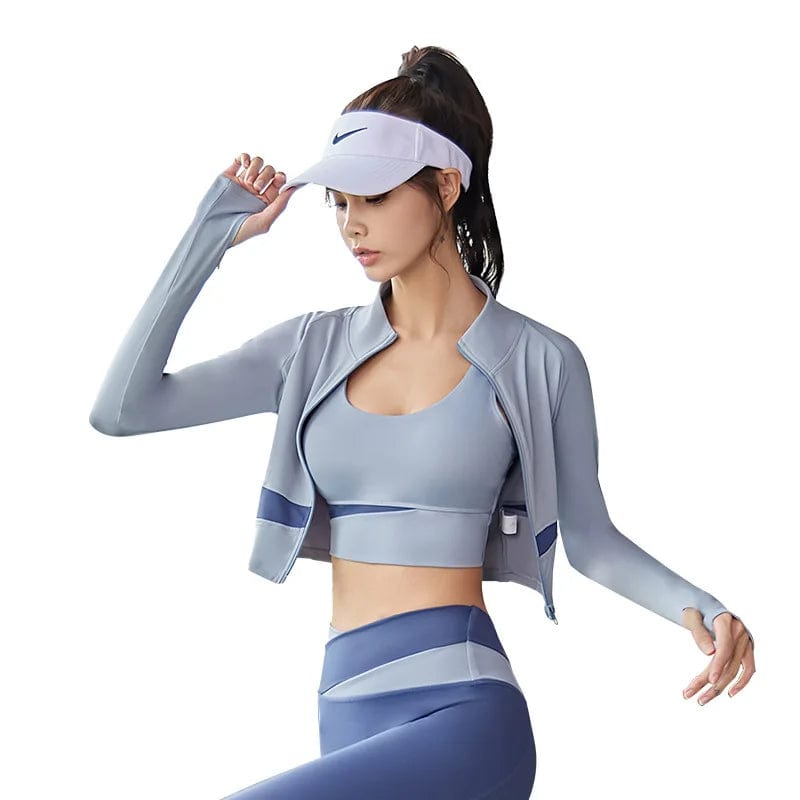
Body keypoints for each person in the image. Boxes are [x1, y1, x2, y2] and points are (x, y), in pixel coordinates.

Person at [89, 45, 755, 799]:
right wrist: (209, 234)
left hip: (466, 716)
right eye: (339, 202)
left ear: (445, 185)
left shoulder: (538, 360)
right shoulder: (310, 349)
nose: (352, 225)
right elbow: (122, 410)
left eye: (373, 198)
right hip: (343, 710)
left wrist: (708, 609)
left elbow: (592, 541)